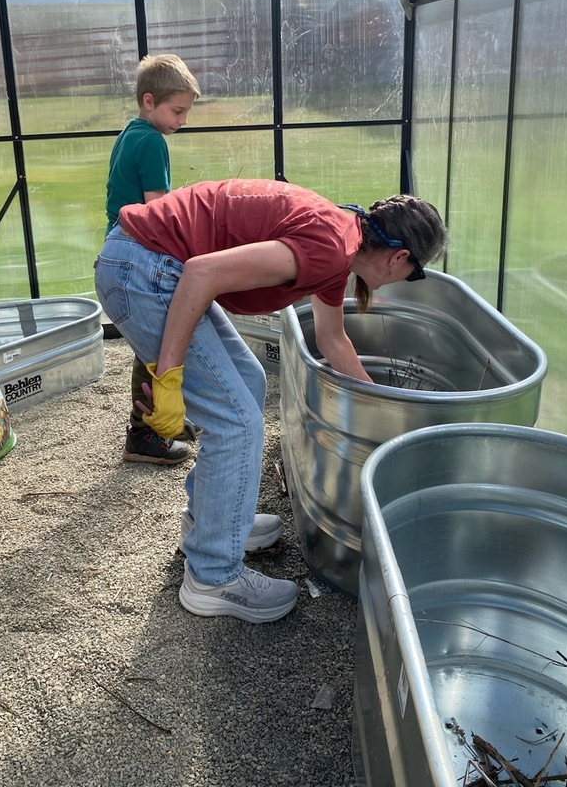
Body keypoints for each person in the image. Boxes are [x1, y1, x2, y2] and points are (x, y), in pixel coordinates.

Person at [95, 178, 447, 623]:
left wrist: (384, 408)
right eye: (414, 272)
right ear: (400, 257)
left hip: (147, 261)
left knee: (249, 379)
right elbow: (202, 273)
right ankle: (212, 577)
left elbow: (333, 339)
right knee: (238, 423)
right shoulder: (331, 246)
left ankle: (212, 523)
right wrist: (167, 376)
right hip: (143, 270)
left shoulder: (342, 239)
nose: (407, 280)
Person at [104, 53, 201, 465]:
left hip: (120, 242)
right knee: (156, 343)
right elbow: (157, 211)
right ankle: (144, 432)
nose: (182, 120)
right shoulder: (151, 142)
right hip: (140, 249)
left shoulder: (130, 133)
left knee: (156, 338)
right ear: (149, 101)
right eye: (177, 111)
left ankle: (167, 418)